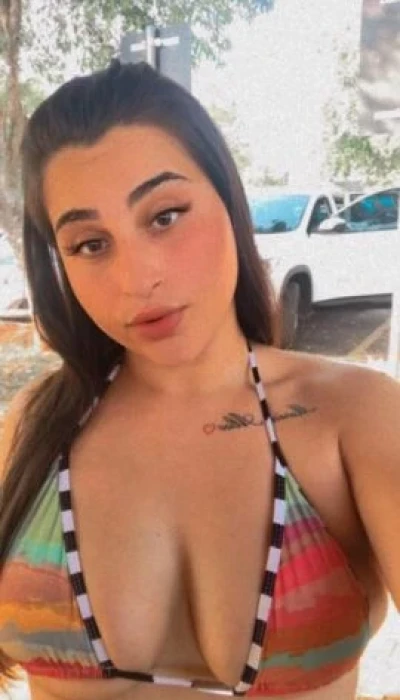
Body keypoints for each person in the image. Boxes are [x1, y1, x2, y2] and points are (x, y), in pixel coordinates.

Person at [0, 59, 399, 700]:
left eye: (165, 216)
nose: (138, 279)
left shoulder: (355, 417)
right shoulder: (35, 428)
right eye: (91, 244)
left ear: (230, 201)